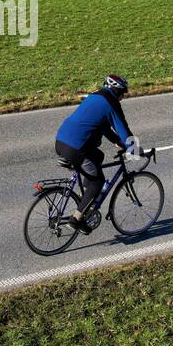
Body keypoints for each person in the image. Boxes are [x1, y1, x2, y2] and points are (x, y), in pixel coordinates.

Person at [54, 75, 134, 232]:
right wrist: (135, 149)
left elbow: (102, 125)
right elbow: (123, 128)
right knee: (98, 182)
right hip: (76, 149)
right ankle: (76, 220)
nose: (123, 97)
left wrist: (115, 140)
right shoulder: (111, 103)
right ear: (117, 91)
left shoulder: (95, 96)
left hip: (61, 141)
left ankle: (86, 196)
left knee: (98, 156)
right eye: (123, 93)